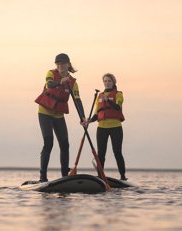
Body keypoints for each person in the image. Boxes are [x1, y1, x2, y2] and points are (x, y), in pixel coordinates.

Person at [34, 53, 86, 182]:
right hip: (45, 112)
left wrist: (83, 118)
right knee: (48, 142)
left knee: (64, 144)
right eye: (57, 64)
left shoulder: (73, 83)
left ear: (68, 64)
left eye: (62, 63)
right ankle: (43, 177)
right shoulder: (50, 73)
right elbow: (49, 84)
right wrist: (60, 82)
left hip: (58, 115)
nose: (59, 66)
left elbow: (77, 101)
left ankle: (64, 176)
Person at [88, 73, 127, 180]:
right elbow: (97, 114)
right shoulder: (99, 96)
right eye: (105, 81)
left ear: (113, 82)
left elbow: (118, 108)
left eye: (109, 81)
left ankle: (123, 176)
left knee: (117, 152)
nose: (107, 83)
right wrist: (88, 122)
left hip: (116, 127)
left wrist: (108, 100)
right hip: (101, 128)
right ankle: (101, 176)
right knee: (101, 153)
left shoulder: (118, 94)